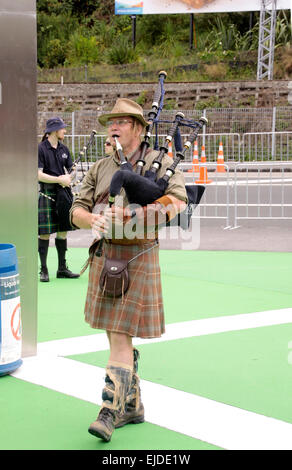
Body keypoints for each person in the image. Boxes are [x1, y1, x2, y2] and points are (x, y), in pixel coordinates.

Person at [70, 98, 187, 442]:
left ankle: (109, 410)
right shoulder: (101, 167)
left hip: (138, 256)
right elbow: (76, 207)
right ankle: (132, 404)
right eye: (111, 121)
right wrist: (92, 218)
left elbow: (177, 202)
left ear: (138, 127)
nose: (114, 126)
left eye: (121, 121)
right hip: (105, 255)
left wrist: (134, 217)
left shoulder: (159, 162)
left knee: (120, 336)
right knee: (114, 332)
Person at [38, 117, 80, 282]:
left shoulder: (64, 149)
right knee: (45, 233)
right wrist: (59, 179)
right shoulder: (41, 148)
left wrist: (70, 176)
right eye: (62, 129)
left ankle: (62, 269)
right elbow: (38, 174)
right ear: (55, 130)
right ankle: (44, 270)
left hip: (63, 194)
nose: (64, 131)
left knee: (63, 231)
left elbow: (72, 169)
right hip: (47, 193)